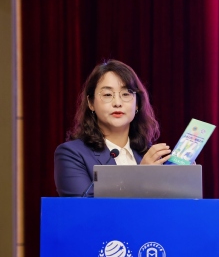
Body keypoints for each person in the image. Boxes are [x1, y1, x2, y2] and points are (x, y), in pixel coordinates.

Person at [54, 60, 171, 196]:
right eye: (107, 95)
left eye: (126, 94)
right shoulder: (71, 154)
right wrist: (141, 176)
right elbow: (83, 206)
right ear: (91, 103)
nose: (117, 103)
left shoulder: (152, 156)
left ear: (137, 104)